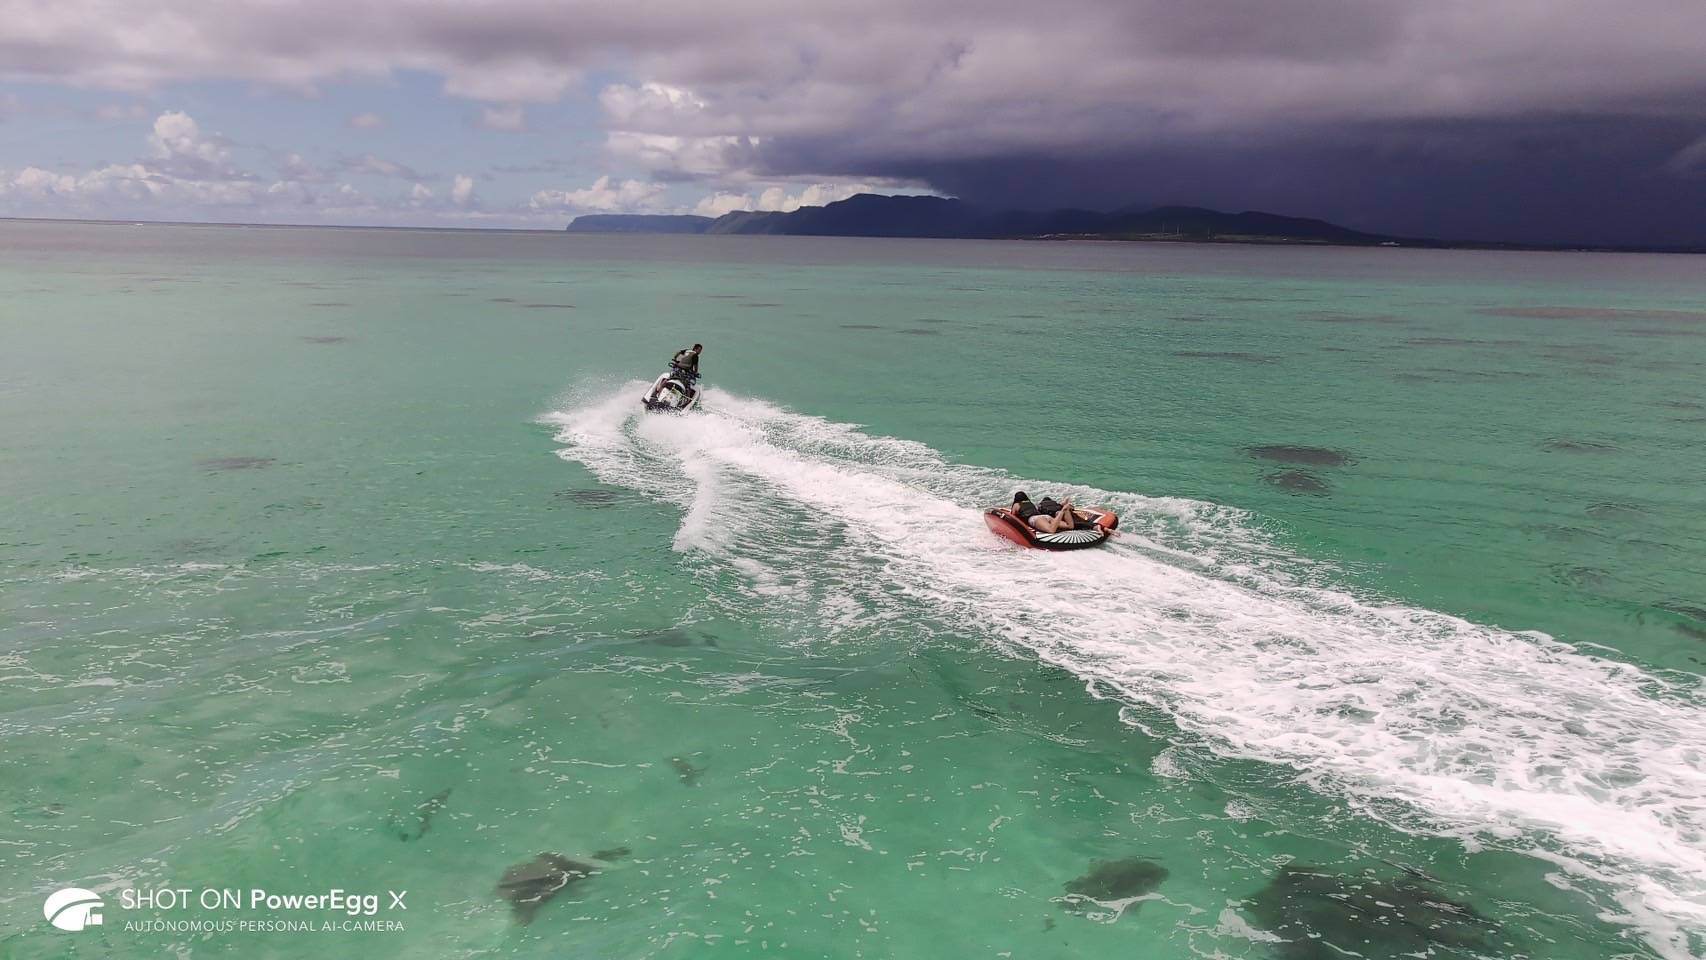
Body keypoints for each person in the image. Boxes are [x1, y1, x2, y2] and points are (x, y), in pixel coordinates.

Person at [1010, 491, 1077, 534]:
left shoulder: (1017, 504)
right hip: (1045, 517)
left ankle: (1063, 511)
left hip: (1035, 519)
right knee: (1069, 526)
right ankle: (1065, 509)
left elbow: (1012, 515)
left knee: (1051, 530)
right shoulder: (1031, 503)